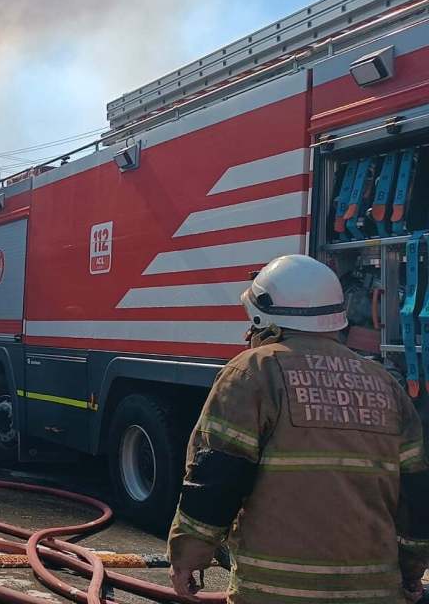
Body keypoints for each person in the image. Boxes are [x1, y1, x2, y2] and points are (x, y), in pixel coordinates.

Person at [167, 255, 429, 604]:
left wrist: (188, 557)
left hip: (273, 592)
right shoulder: (385, 384)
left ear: (263, 317)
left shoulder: (253, 372)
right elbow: (416, 495)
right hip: (375, 591)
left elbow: (216, 476)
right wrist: (411, 570)